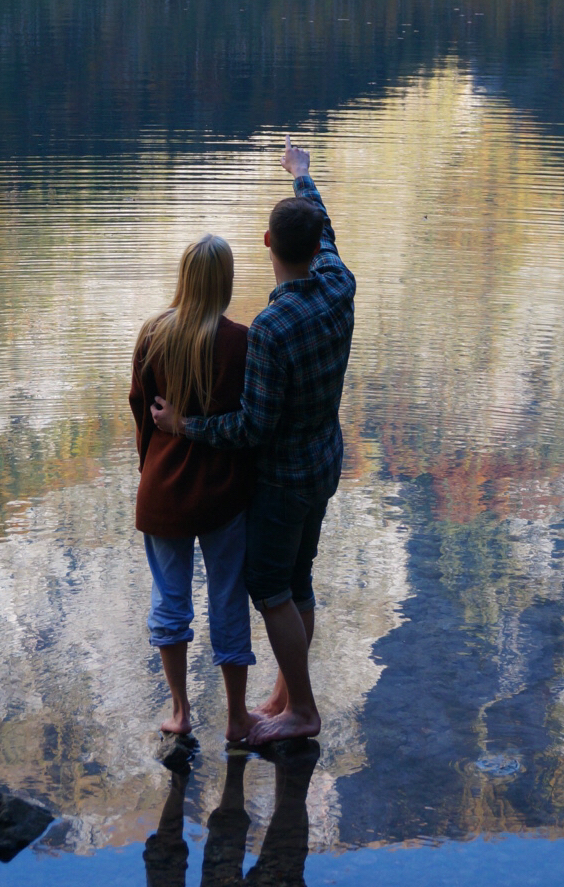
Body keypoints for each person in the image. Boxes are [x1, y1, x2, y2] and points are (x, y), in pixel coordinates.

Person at [152, 137, 355, 745]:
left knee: (269, 590)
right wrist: (303, 175)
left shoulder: (270, 327)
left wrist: (184, 427)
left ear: (267, 245)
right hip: (324, 462)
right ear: (317, 246)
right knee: (300, 582)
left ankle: (303, 712)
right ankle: (284, 694)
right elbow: (324, 227)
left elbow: (252, 427)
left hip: (285, 479)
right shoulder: (339, 280)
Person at [130, 234, 257, 744]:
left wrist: (153, 472)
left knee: (170, 599)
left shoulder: (152, 336)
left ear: (183, 278)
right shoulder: (240, 341)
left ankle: (180, 711)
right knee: (228, 599)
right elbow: (250, 424)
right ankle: (236, 717)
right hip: (224, 495)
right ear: (225, 282)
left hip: (163, 492)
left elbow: (143, 415)